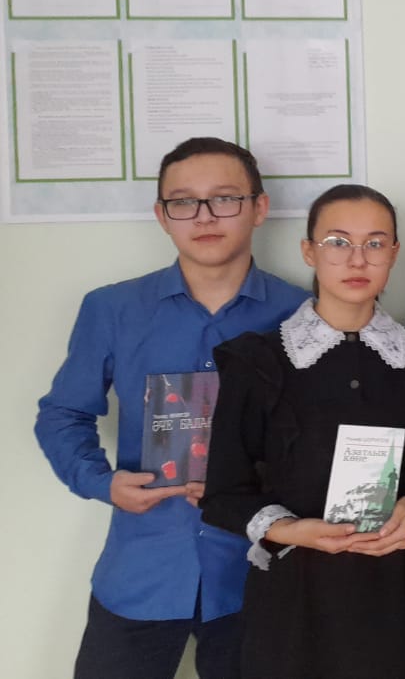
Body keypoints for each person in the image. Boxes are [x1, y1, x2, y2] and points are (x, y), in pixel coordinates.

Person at [35, 137, 308, 679]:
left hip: (257, 572)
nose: (204, 216)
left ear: (259, 207)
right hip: (142, 570)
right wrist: (103, 483)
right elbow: (63, 414)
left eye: (224, 198)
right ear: (162, 216)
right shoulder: (112, 309)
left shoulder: (302, 314)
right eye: (184, 202)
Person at [201, 184, 405, 679]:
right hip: (297, 595)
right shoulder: (257, 361)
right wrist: (293, 531)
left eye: (375, 243)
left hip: (402, 591)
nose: (357, 259)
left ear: (394, 253)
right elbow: (223, 494)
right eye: (338, 242)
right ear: (308, 251)